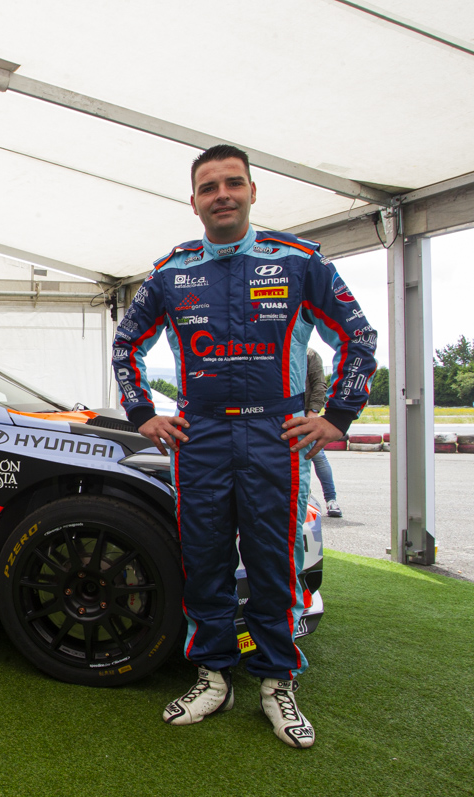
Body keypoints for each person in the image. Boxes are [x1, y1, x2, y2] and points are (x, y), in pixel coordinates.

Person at [112, 145, 377, 748]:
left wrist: (337, 417)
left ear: (253, 192)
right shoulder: (171, 271)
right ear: (194, 202)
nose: (223, 195)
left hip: (275, 436)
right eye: (210, 187)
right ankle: (213, 677)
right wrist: (143, 413)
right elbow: (126, 344)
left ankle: (277, 682)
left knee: (273, 565)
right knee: (204, 561)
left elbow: (358, 336)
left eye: (233, 183)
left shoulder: (299, 260)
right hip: (199, 436)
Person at [306, 347, 343, 517]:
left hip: (305, 415)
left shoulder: (310, 354)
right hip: (280, 416)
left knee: (318, 456)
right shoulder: (276, 349)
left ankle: (331, 500)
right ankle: (302, 498)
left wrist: (314, 410)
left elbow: (320, 384)